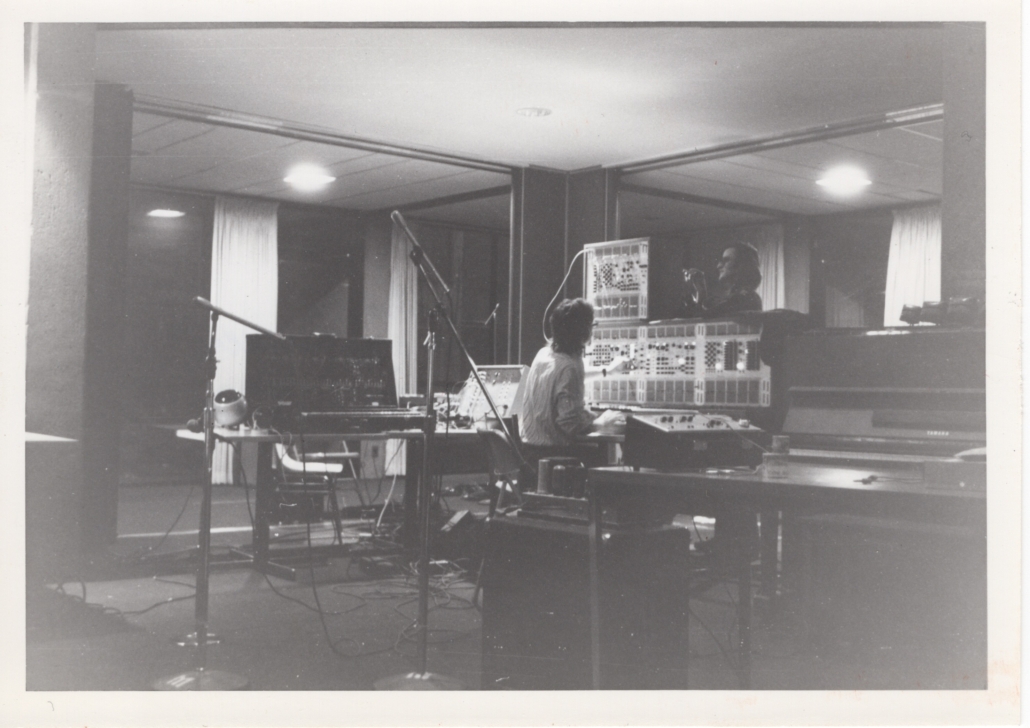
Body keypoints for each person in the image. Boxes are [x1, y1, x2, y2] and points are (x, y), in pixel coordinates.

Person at [518, 298, 621, 475]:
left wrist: (607, 370)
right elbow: (569, 425)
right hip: (553, 459)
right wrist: (600, 423)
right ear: (584, 331)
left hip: (528, 455)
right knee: (604, 459)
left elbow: (559, 378)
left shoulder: (543, 355)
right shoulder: (571, 367)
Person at [683, 242, 763, 318]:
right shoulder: (738, 297)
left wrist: (700, 293)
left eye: (726, 260)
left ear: (743, 265)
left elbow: (703, 319)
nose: (718, 266)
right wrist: (701, 292)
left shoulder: (747, 298)